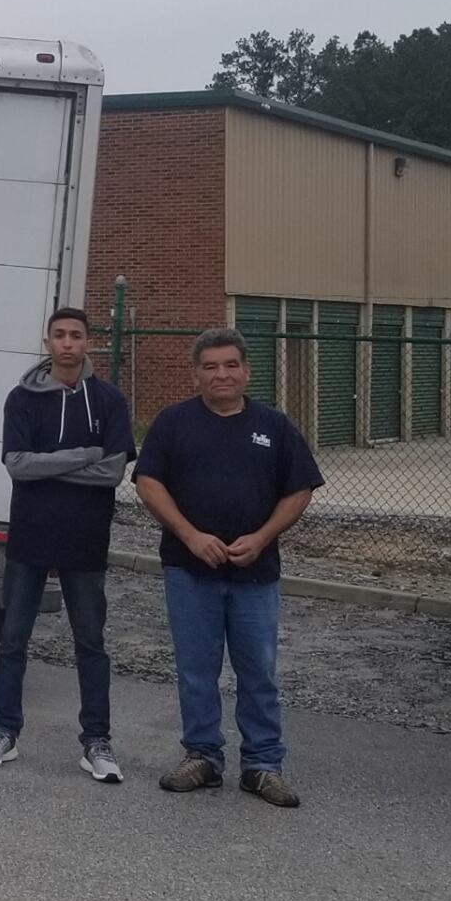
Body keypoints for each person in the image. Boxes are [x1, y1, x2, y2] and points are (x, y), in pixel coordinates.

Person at [134, 327, 323, 807]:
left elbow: (298, 490)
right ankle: (202, 756)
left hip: (255, 576)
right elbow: (149, 483)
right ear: (196, 374)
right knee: (197, 671)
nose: (222, 374)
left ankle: (263, 765)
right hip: (188, 570)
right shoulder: (173, 423)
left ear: (246, 371)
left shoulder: (274, 427)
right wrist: (190, 536)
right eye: (211, 366)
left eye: (230, 365)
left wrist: (262, 538)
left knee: (258, 671)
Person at [0, 307, 133, 781]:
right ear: (47, 343)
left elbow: (114, 470)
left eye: (76, 335)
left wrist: (56, 463)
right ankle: (2, 732)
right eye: (59, 335)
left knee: (90, 642)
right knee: (13, 640)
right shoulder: (21, 399)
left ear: (88, 343)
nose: (67, 343)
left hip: (86, 538)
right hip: (30, 535)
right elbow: (18, 466)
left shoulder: (107, 400)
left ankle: (97, 742)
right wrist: (84, 455)